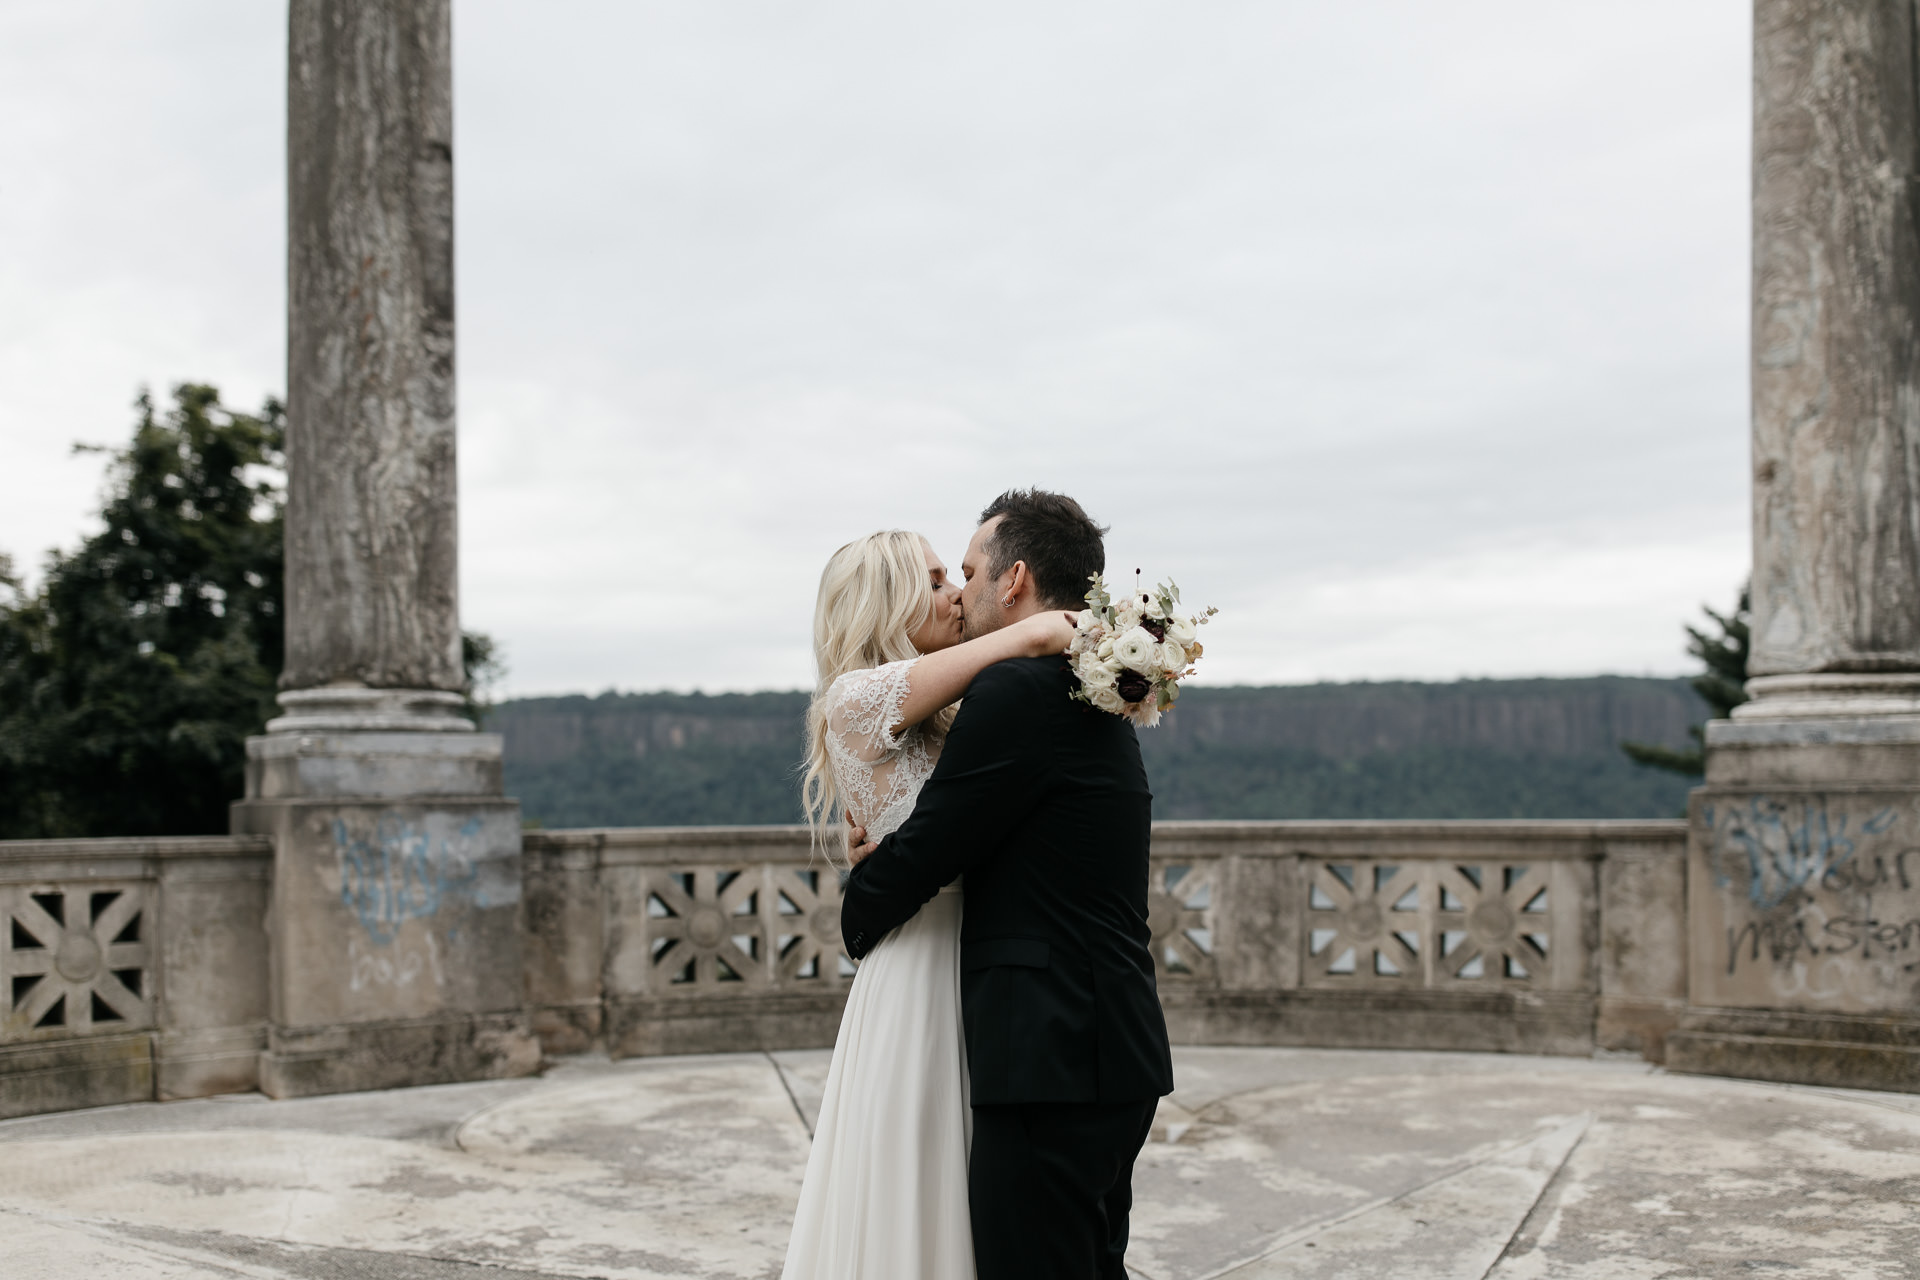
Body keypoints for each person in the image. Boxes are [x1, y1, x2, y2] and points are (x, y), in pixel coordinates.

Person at [840, 489, 1175, 1280]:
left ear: (1014, 578)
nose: (960, 591)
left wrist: (860, 903)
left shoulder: (1016, 691)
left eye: (966, 572)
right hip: (1109, 1039)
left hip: (1050, 1050)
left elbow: (934, 844)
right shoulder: (1100, 691)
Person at [781, 527, 1077, 1280]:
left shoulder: (943, 703)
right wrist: (1039, 627)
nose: (955, 592)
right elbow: (1015, 646)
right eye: (937, 578)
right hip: (918, 968)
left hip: (980, 957)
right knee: (917, 1177)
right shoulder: (854, 696)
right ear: (887, 599)